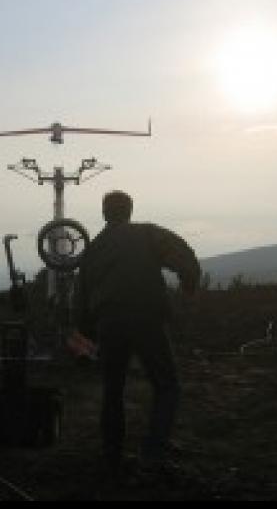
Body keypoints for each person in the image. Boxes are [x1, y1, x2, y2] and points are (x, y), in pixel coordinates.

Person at [77, 190, 201, 479]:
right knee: (167, 386)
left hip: (108, 323)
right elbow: (184, 257)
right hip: (146, 318)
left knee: (113, 389)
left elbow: (80, 297)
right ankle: (153, 454)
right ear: (130, 211)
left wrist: (86, 334)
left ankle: (111, 455)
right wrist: (190, 285)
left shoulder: (93, 249)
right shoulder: (147, 234)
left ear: (104, 213)